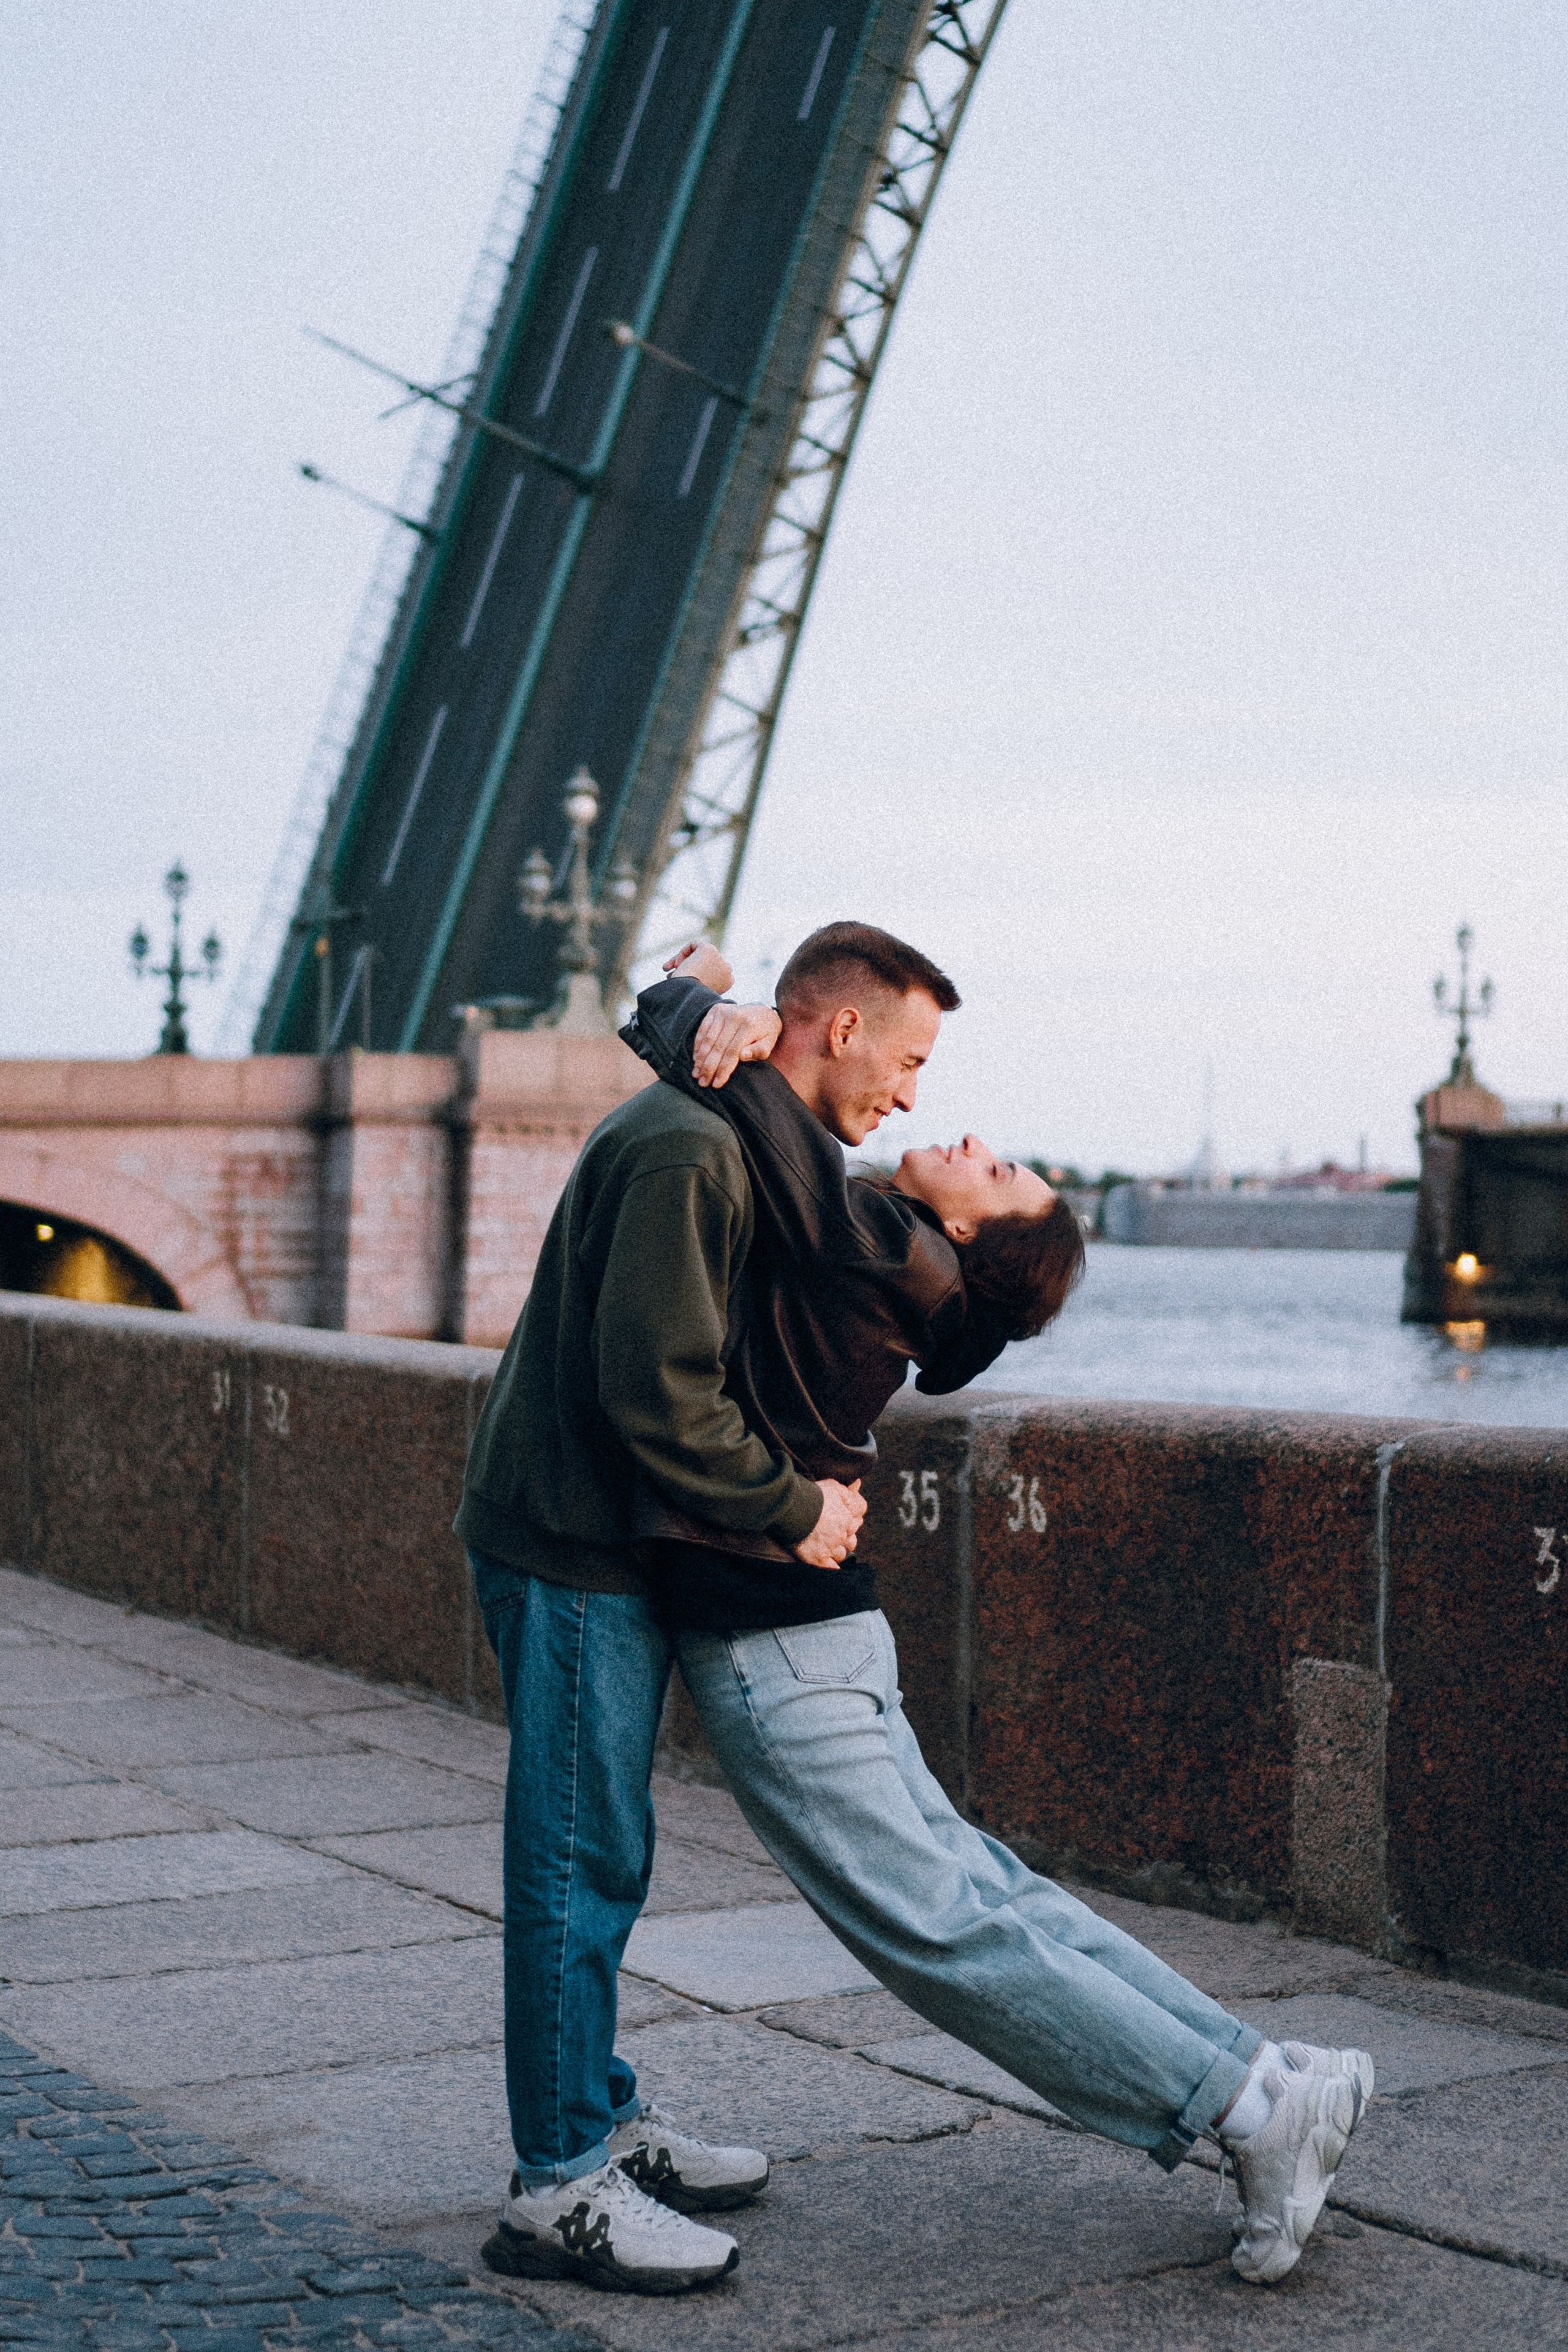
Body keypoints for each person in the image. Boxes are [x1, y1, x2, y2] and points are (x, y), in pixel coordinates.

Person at [622, 940, 1375, 2291]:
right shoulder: (909, 1274)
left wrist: (692, 1008)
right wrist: (730, 1020)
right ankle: (1270, 2074)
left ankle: (1247, 2113)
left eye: (999, 1168)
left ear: (967, 1233)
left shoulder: (884, 1247)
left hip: (771, 1632)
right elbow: (799, 1144)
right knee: (989, 1892)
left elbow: (772, 1121)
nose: (962, 1131)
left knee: (938, 1928)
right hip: (826, 1632)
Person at [456, 921, 960, 2296]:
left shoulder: (726, 1130)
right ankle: (557, 2184)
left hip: (593, 1533)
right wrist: (797, 1509)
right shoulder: (695, 1150)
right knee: (577, 1860)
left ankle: (596, 2115)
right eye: (909, 1059)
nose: (912, 1094)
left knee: (601, 1851)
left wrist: (700, 996)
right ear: (839, 1029)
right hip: (574, 1541)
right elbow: (659, 1390)